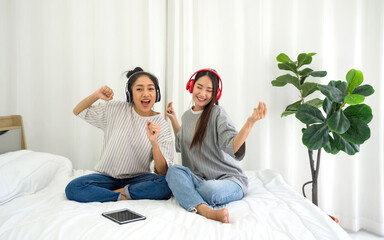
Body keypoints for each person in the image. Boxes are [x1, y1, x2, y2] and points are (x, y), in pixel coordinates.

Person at [165, 68, 267, 223]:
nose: (202, 93)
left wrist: (250, 123)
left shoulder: (217, 113)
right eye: (199, 87)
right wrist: (173, 119)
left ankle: (187, 195)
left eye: (209, 90)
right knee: (173, 171)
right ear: (191, 86)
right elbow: (182, 142)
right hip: (199, 179)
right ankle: (205, 210)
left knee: (209, 190)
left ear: (215, 94)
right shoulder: (186, 116)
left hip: (230, 180)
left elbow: (232, 146)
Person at [65, 67, 174, 203]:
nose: (146, 94)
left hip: (138, 179)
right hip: (107, 178)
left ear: (157, 93)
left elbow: (162, 171)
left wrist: (154, 142)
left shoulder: (161, 124)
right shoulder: (115, 109)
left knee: (166, 184)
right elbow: (78, 111)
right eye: (139, 89)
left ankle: (109, 194)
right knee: (73, 188)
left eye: (150, 89)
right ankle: (122, 196)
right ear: (130, 94)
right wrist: (96, 95)